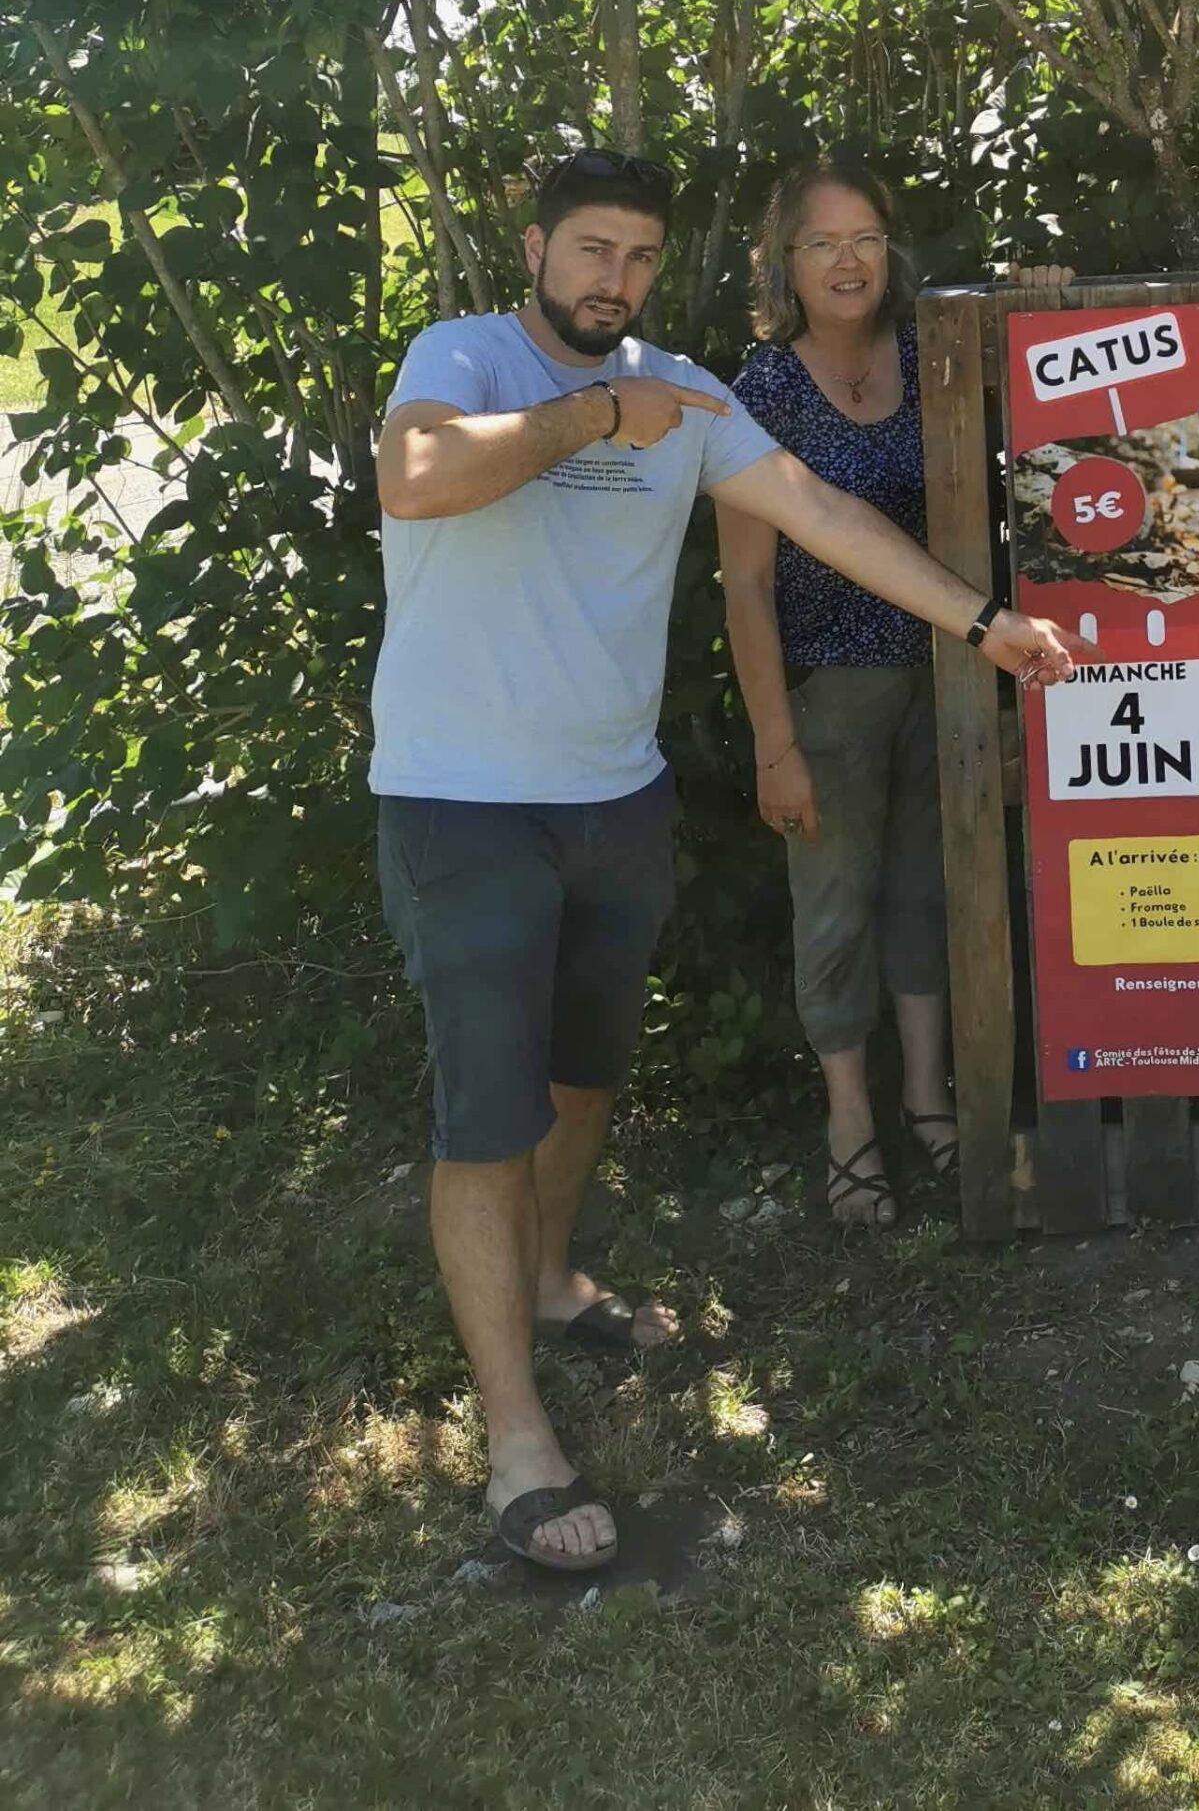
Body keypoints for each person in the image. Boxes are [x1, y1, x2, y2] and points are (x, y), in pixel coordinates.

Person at [371, 147, 1087, 1573]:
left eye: (637, 257)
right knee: (487, 1119)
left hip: (614, 800)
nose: (613, 279)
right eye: (590, 250)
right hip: (464, 803)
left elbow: (820, 514)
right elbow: (416, 479)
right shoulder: (463, 354)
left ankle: (553, 1279)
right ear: (535, 250)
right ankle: (517, 1443)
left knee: (583, 1081)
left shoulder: (691, 393)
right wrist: (591, 415)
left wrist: (980, 622)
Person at [715, 152, 1072, 1227]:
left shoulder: (934, 352)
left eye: (865, 237)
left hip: (953, 677)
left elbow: (1050, 383)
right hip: (829, 692)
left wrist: (1048, 304)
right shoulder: (761, 389)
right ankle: (849, 1124)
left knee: (929, 892)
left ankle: (927, 1100)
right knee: (834, 908)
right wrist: (774, 743)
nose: (848, 260)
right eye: (822, 242)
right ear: (783, 261)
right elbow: (744, 585)